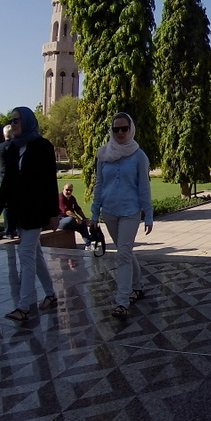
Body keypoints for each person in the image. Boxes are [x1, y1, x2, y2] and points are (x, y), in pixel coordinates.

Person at [0, 108, 60, 322]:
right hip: (19, 210)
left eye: (17, 120)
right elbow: (8, 182)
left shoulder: (42, 146)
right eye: (11, 120)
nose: (13, 124)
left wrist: (53, 212)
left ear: (27, 121)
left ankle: (23, 306)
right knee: (34, 254)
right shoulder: (12, 148)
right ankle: (50, 293)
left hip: (36, 210)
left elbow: (49, 181)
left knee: (26, 254)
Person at [90, 113, 153, 319]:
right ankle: (137, 285)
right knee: (125, 250)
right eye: (116, 129)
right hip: (110, 212)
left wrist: (149, 214)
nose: (120, 133)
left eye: (124, 129)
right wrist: (94, 212)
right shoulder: (103, 155)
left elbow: (144, 187)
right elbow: (99, 184)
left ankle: (122, 301)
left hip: (130, 211)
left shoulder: (138, 156)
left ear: (131, 129)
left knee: (123, 253)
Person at [0, 124, 17, 238]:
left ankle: (9, 230)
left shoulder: (0, 147)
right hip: (16, 177)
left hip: (4, 177)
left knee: (6, 205)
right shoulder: (16, 145)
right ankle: (16, 228)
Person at [58, 183, 92, 249]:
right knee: (71, 219)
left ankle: (88, 245)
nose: (69, 192)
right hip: (60, 220)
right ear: (63, 189)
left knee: (82, 223)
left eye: (70, 190)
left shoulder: (72, 198)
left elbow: (77, 208)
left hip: (71, 220)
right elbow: (66, 211)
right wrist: (76, 218)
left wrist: (84, 218)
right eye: (67, 190)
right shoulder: (60, 198)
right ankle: (89, 239)